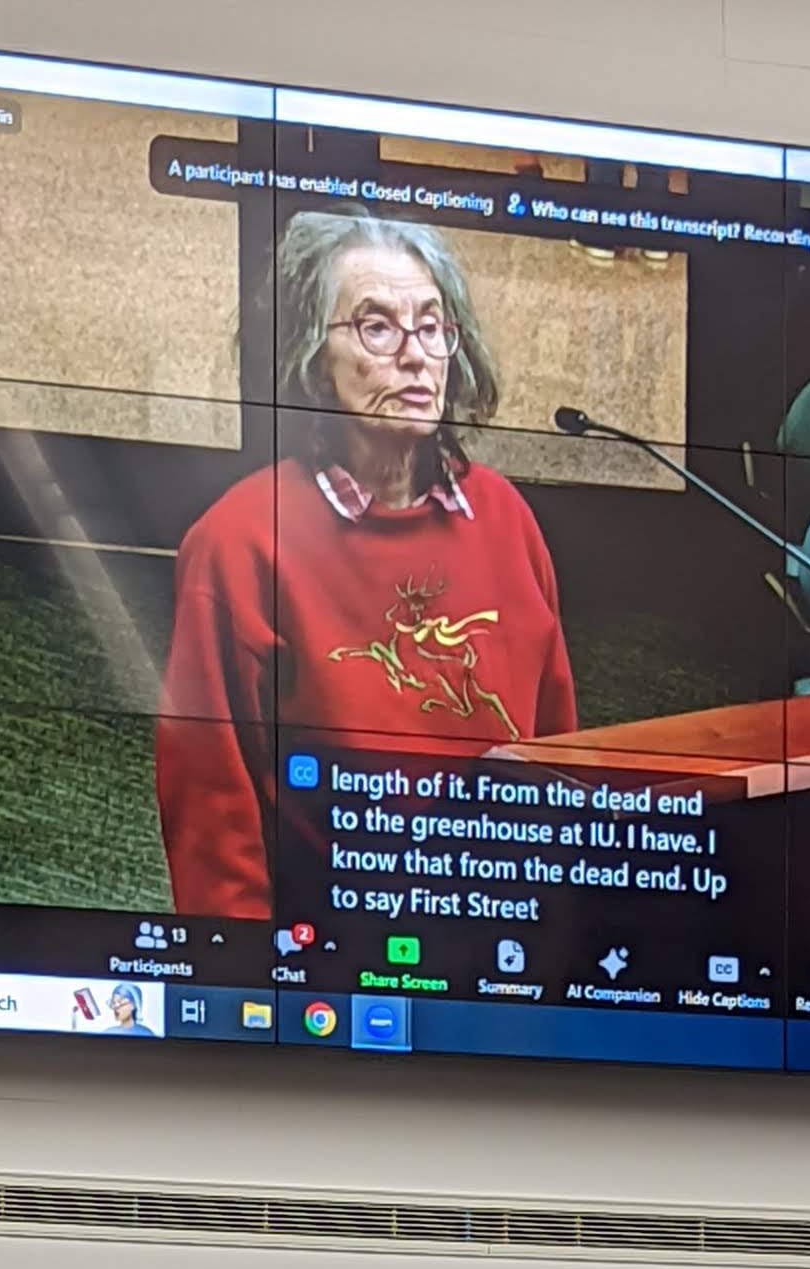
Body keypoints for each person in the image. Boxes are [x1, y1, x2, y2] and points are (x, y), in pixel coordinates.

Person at [157, 211, 578, 916]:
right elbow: (211, 814)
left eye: (432, 326)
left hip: (501, 921)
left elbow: (562, 759)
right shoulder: (239, 543)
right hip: (333, 938)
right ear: (310, 358)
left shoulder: (505, 517)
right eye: (377, 326)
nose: (416, 356)